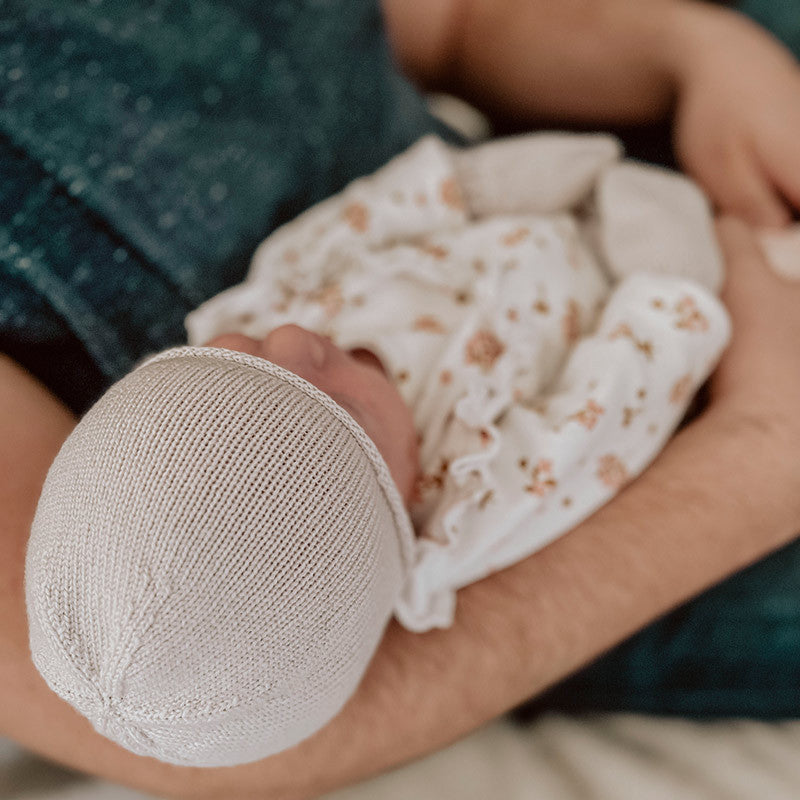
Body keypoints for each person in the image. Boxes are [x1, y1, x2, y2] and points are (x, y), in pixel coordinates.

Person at [1, 0, 799, 796]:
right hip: (663, 441)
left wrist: (691, 51)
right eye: (324, 406)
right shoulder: (479, 493)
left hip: (531, 179)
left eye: (237, 356)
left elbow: (450, 24)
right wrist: (751, 431)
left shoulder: (274, 306)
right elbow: (203, 729)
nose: (290, 339)